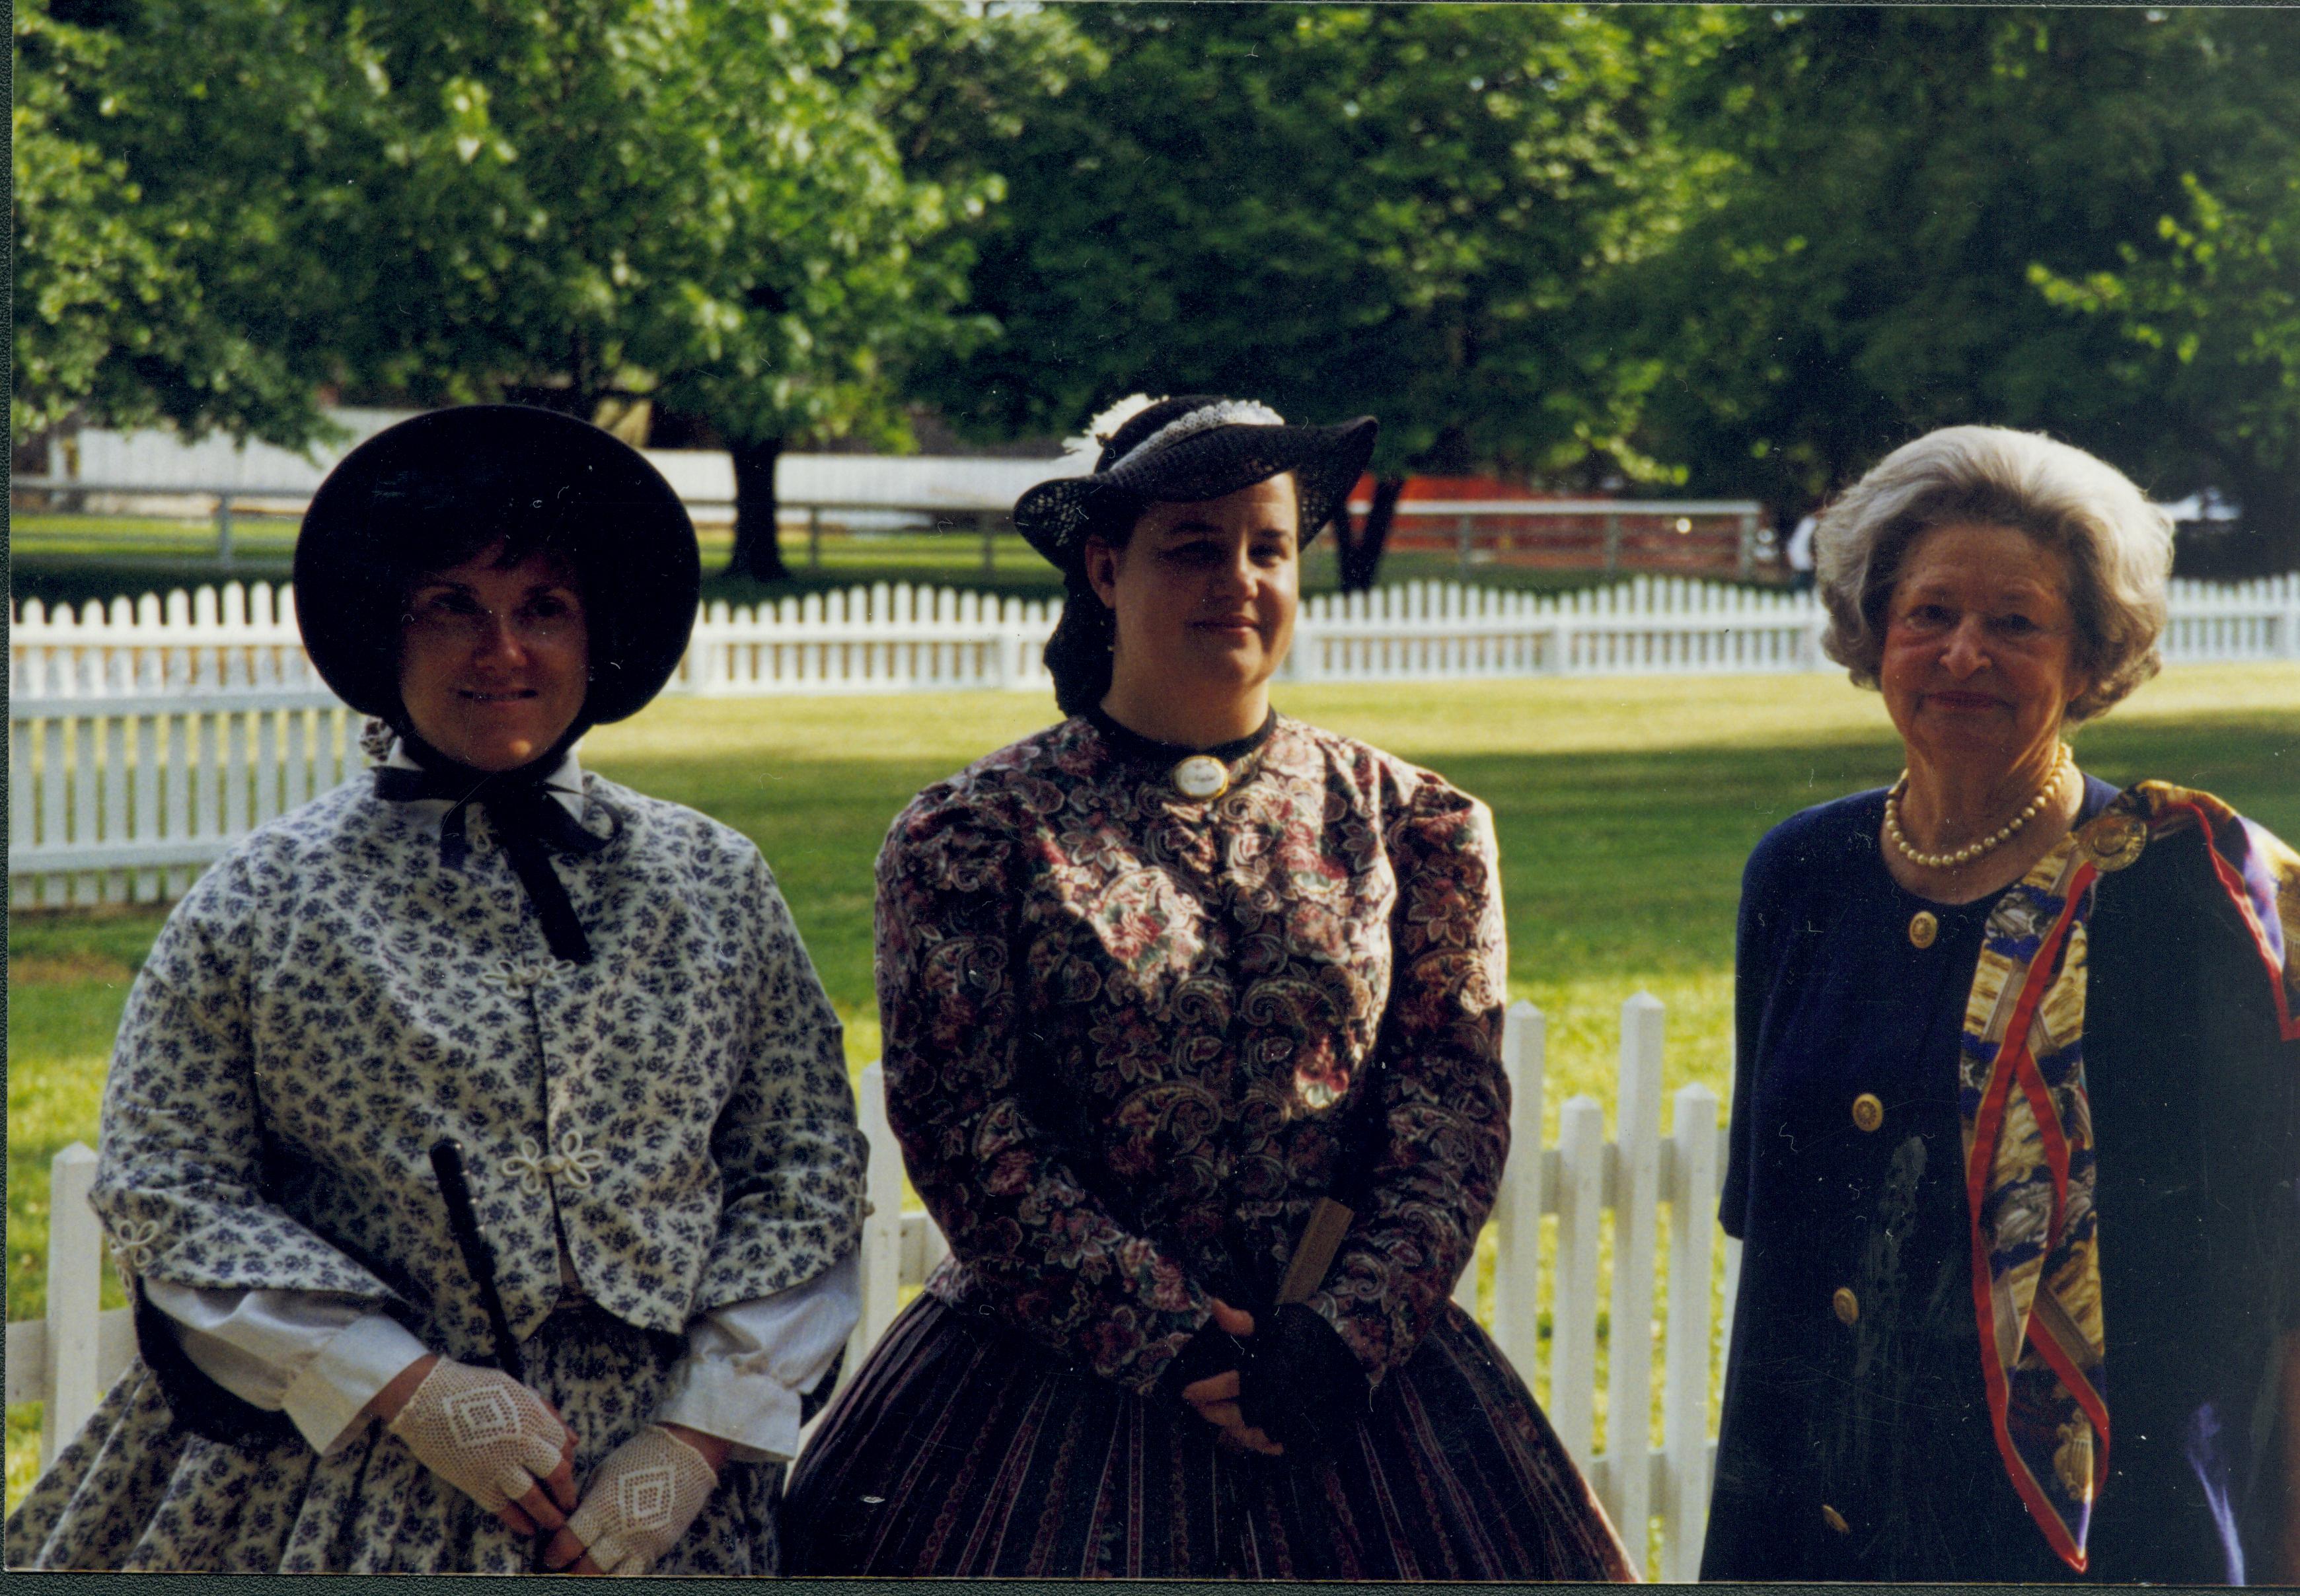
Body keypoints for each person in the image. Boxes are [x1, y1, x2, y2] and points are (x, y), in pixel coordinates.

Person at [781, 394, 1635, 1581]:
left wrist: (1348, 1335)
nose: (1235, 578)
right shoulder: (974, 833)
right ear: (1103, 567)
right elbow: (965, 1128)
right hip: (1044, 1392)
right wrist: (1170, 1338)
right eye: (1193, 546)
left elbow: (1450, 1108)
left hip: (1351, 1384)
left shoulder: (1413, 822)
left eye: (1266, 547)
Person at [5, 406, 868, 1574]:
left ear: (598, 632)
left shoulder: (711, 881)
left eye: (542, 611)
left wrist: (700, 1434)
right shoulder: (268, 897)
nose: (500, 653)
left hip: (651, 1492)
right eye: (451, 607)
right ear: (384, 629)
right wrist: (403, 1385)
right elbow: (171, 1184)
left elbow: (805, 1170)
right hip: (338, 1479)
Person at [1703, 425, 2300, 1583]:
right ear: (1873, 632)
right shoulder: (1800, 875)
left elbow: (2282, 1287)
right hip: (1812, 1517)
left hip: (2099, 1539)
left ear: (2090, 660)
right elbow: (1773, 1243)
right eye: (1928, 614)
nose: (1961, 654)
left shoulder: (2184, 894)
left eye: (2015, 623)